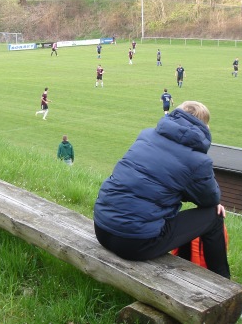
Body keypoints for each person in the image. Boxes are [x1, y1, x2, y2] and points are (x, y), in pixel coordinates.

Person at [93, 101, 230, 280]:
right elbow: (210, 199)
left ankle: (186, 265)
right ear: (205, 126)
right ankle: (223, 285)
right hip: (135, 243)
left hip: (102, 229)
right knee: (214, 216)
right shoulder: (198, 161)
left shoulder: (146, 135)